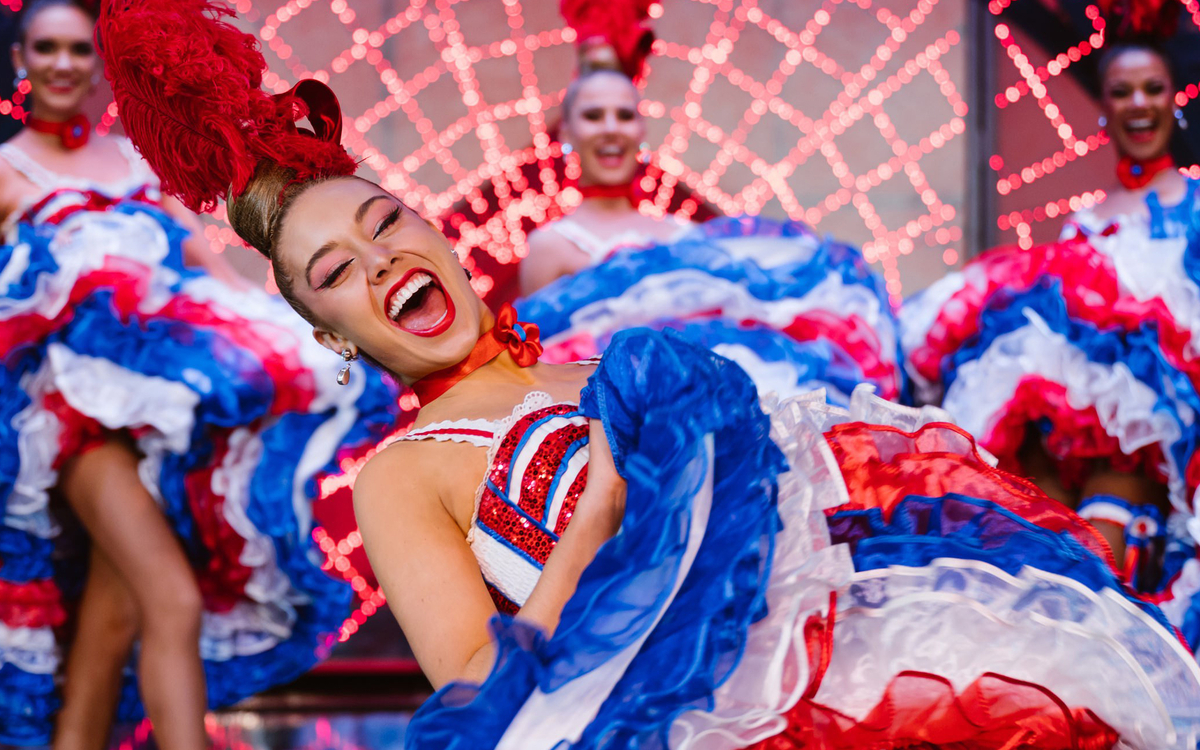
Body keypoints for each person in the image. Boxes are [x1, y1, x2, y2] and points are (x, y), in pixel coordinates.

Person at [102, 0, 1200, 747]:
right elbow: (483, 696)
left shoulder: (597, 366)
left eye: (389, 222)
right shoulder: (401, 472)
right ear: (333, 331)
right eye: (339, 268)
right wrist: (607, 515)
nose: (384, 258)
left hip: (857, 650)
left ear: (435, 229)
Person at [0, 1, 397, 746]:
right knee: (172, 601)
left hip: (162, 429)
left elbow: (214, 281)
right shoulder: (6, 171)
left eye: (78, 49)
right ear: (22, 59)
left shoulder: (128, 164)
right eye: (45, 48)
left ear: (97, 65)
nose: (62, 63)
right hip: (71, 432)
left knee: (114, 616)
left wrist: (314, 336)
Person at [901, 2, 1200, 657]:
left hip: (1158, 459)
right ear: (1105, 108)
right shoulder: (1081, 228)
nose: (1139, 105)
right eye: (1122, 92)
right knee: (1040, 577)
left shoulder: (1196, 213)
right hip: (1064, 455)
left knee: (1101, 589)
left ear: (1174, 99)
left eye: (1152, 89)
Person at [517, 4, 904, 405]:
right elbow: (546, 374)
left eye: (624, 115)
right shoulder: (552, 247)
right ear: (568, 129)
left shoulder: (684, 233)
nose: (611, 129)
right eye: (594, 116)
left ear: (641, 127)